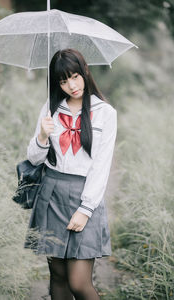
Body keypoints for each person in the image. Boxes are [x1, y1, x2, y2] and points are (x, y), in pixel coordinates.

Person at [24, 48, 117, 300]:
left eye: (74, 76)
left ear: (85, 72)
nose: (71, 85)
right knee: (59, 276)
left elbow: (101, 165)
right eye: (63, 80)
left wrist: (86, 209)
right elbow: (33, 158)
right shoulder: (51, 108)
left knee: (78, 282)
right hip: (51, 192)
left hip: (84, 195)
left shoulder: (105, 113)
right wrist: (42, 135)